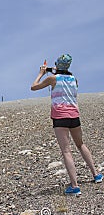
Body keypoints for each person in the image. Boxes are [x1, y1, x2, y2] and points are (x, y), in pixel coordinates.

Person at [31, 54, 102, 195]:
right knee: (81, 144)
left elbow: (33, 87)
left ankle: (75, 186)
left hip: (60, 117)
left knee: (66, 151)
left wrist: (41, 73)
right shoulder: (74, 79)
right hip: (74, 116)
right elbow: (63, 76)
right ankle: (96, 175)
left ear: (58, 65)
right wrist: (53, 70)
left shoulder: (52, 78)